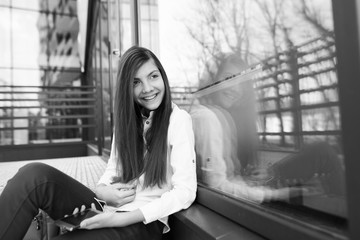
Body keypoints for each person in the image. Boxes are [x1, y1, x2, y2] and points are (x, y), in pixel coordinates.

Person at [0, 46, 197, 240]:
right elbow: (112, 169)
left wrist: (119, 219)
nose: (147, 88)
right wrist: (102, 192)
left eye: (153, 76)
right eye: (136, 82)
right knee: (34, 175)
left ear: (162, 76)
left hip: (141, 222)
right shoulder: (127, 123)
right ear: (126, 88)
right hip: (106, 207)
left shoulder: (178, 120)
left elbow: (185, 192)